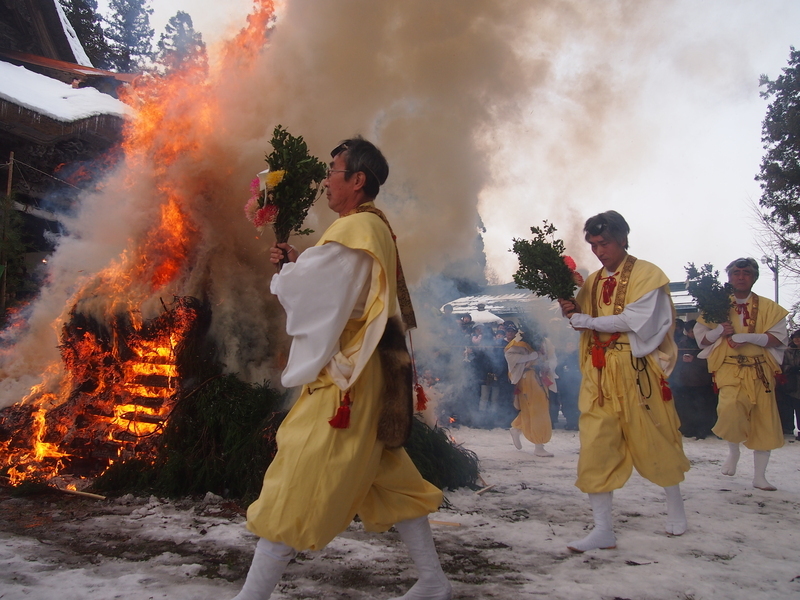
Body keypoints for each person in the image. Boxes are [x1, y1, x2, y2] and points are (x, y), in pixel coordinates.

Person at [232, 137, 451, 600]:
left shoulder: (356, 230)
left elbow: (320, 296)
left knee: (298, 472)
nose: (326, 180)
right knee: (391, 478)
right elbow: (345, 291)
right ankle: (433, 581)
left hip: (348, 381)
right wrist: (299, 263)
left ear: (357, 180)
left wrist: (288, 275)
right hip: (374, 374)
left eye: (334, 171)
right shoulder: (371, 229)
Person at [558, 210, 690, 553]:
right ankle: (603, 529)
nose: (599, 251)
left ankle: (675, 507)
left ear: (622, 238)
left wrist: (582, 319)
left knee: (656, 435)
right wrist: (570, 310)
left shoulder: (648, 275)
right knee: (595, 444)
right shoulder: (593, 281)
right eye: (593, 245)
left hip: (636, 369)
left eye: (604, 243)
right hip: (598, 373)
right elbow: (583, 319)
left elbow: (633, 320)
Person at [693, 257, 788, 491]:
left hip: (760, 370)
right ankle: (733, 451)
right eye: (736, 272)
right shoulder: (716, 305)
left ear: (754, 277)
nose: (741, 276)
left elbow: (778, 338)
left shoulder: (769, 307)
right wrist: (718, 331)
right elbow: (701, 339)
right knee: (730, 410)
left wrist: (747, 337)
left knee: (763, 421)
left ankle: (760, 477)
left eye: (746, 272)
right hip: (730, 368)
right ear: (730, 277)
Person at [503, 323, 554, 457]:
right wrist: (529, 357)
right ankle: (539, 445)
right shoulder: (520, 340)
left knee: (534, 408)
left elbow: (552, 357)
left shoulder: (544, 341)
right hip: (529, 377)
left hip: (541, 376)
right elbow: (509, 355)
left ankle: (516, 428)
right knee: (539, 409)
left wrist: (548, 365)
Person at [778, 330, 800, 440]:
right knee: (788, 406)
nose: (797, 340)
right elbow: (781, 364)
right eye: (795, 337)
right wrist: (790, 369)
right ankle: (787, 428)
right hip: (791, 382)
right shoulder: (788, 350)